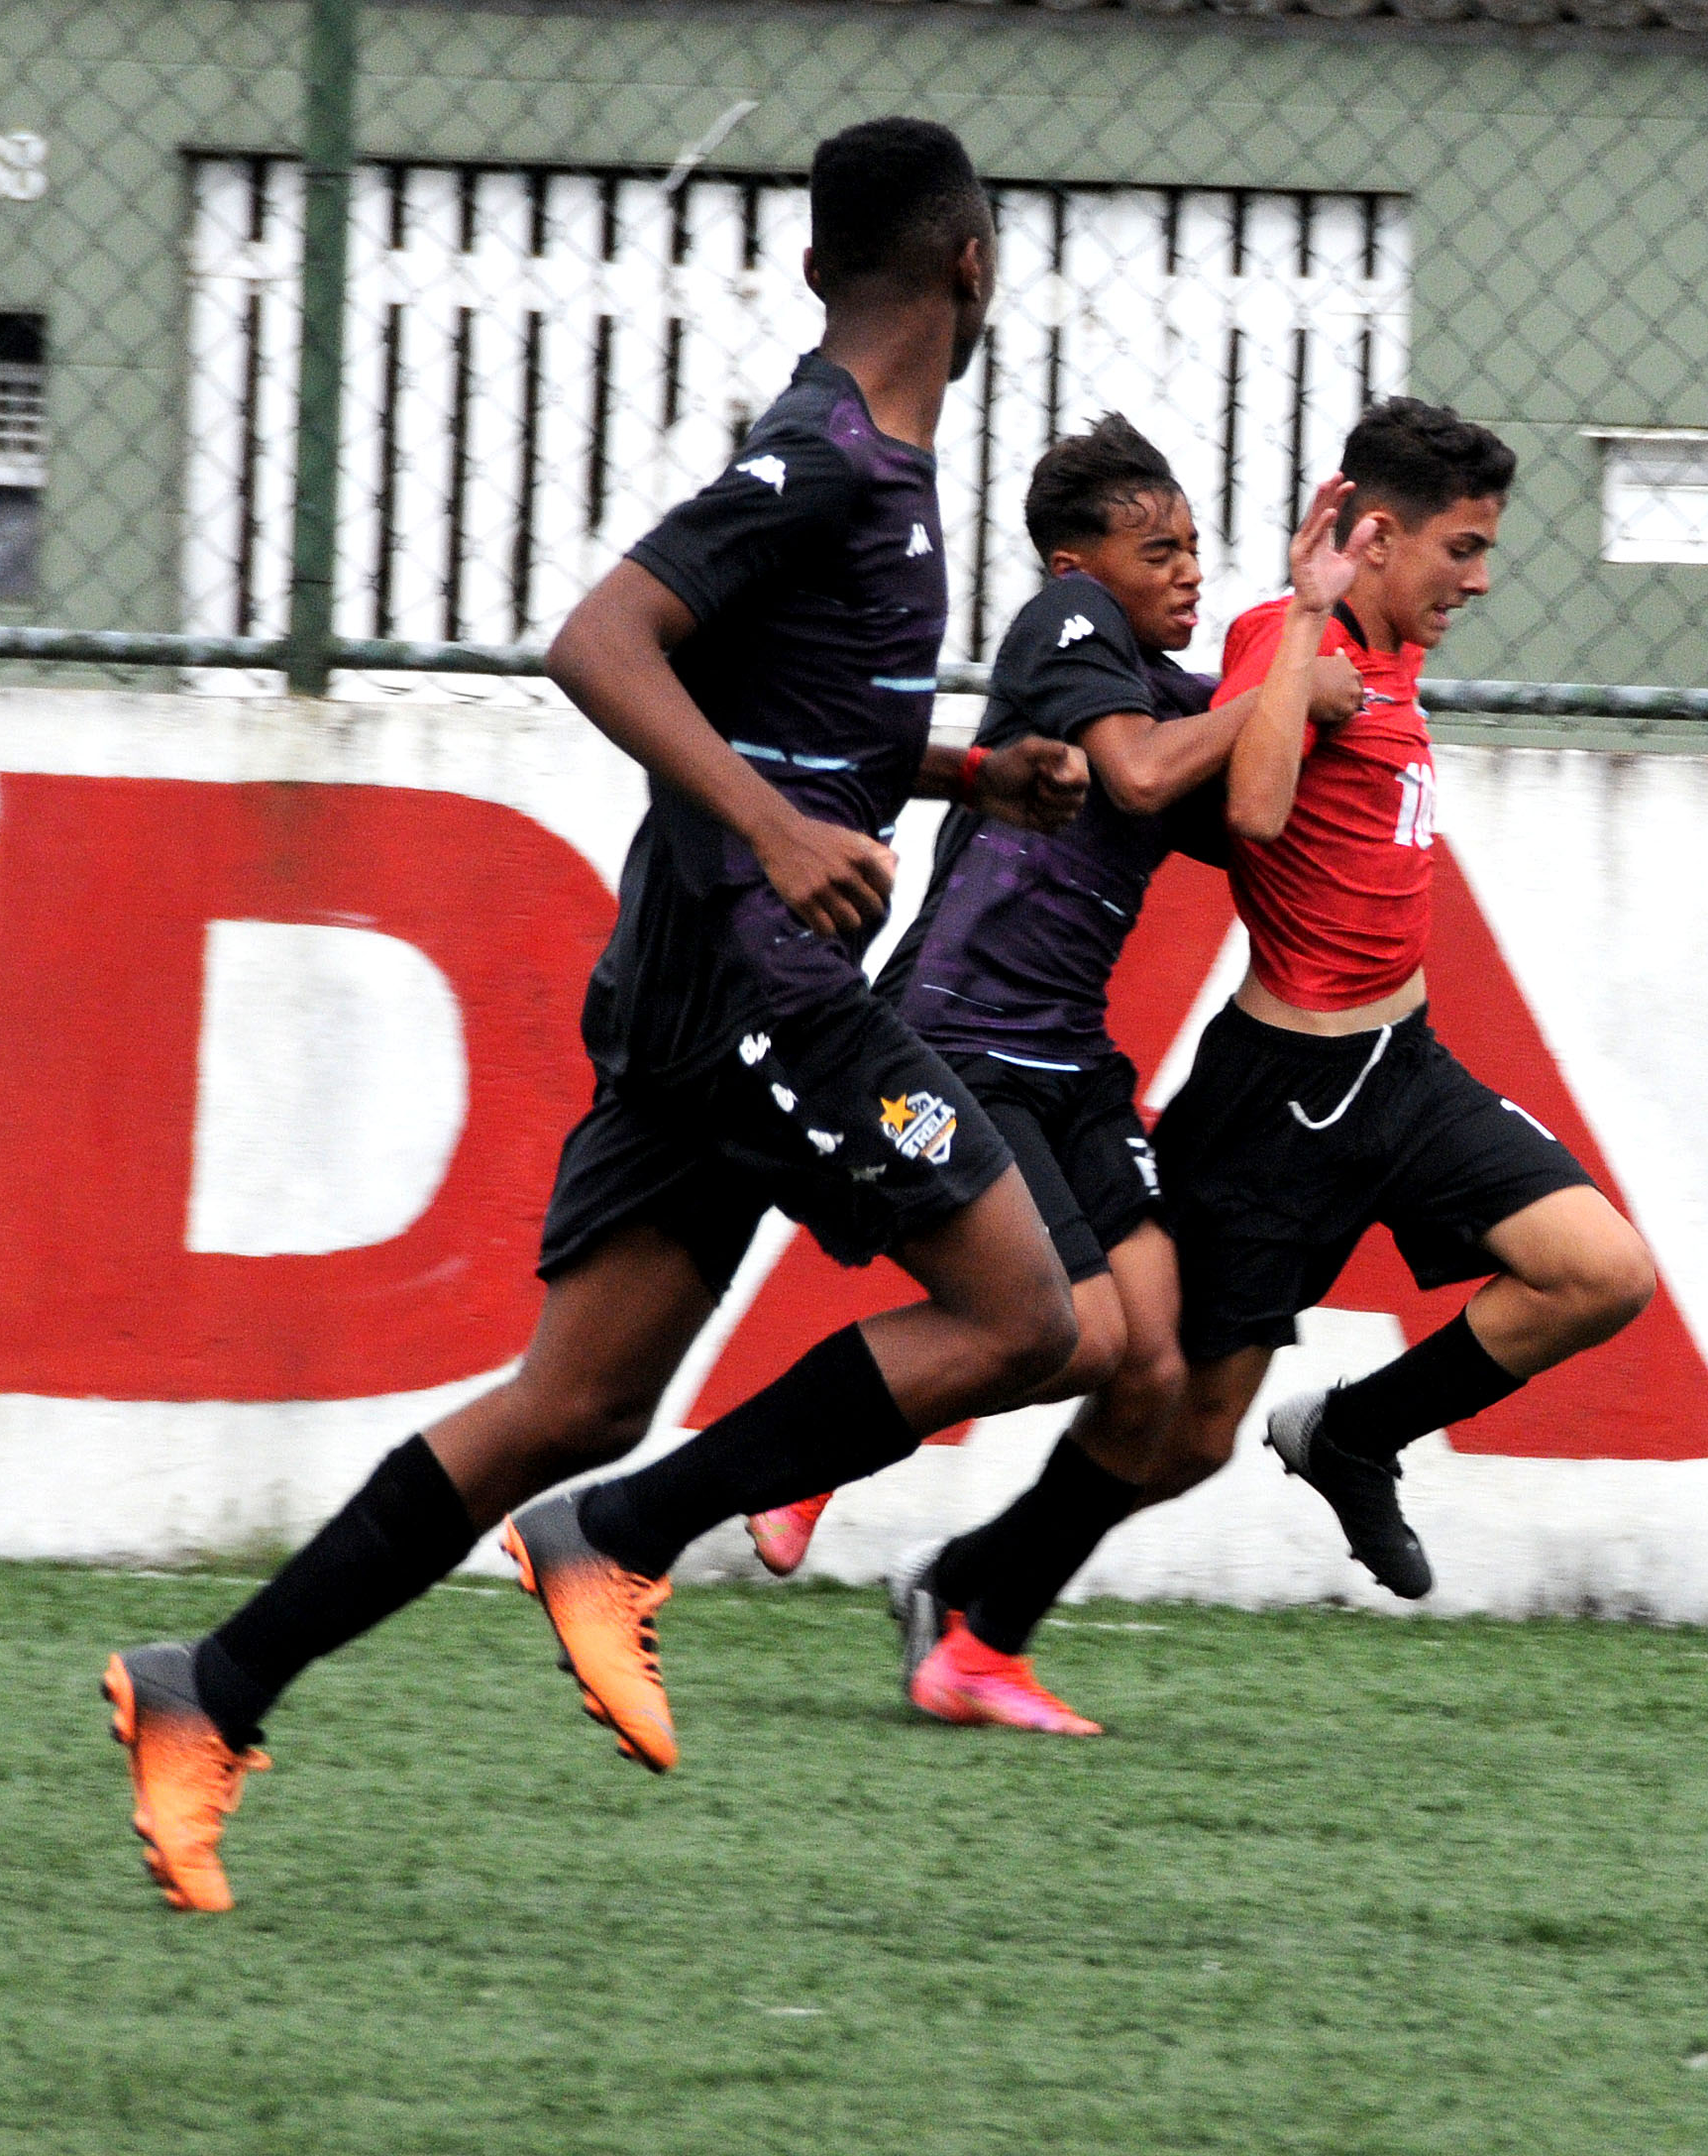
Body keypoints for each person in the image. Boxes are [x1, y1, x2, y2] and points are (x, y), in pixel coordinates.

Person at [102, 118, 1092, 1913]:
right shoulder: (830, 457)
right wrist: (786, 832)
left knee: (571, 1397)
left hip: (709, 980)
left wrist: (961, 772)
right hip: (758, 988)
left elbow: (775, 698)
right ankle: (623, 1543)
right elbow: (602, 641)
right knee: (1034, 1312)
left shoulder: (874, 461)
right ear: (974, 265)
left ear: (820, 269)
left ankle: (207, 1689)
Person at [738, 414, 1361, 1733]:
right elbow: (1135, 778)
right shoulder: (1064, 631)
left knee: (1154, 1369)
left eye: (1197, 549)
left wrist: (1321, 639)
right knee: (1072, 1330)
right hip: (960, 1044)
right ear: (1082, 565)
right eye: (1159, 551)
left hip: (1074, 1062)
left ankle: (979, 1636)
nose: (1188, 573)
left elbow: (1250, 788)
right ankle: (804, 1453)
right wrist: (1281, 691)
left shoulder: (1168, 686)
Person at [1154, 397, 1660, 1601]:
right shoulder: (1290, 635)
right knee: (1156, 1406)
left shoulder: (1397, 649)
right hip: (1282, 1097)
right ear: (1373, 537)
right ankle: (868, 1472)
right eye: (1463, 549)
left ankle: (1353, 1433)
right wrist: (1310, 622)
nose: (1481, 579)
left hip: (1404, 1066)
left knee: (1601, 1272)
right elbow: (1254, 813)